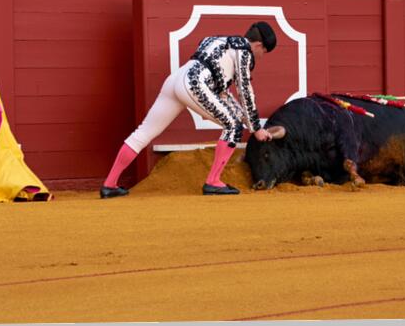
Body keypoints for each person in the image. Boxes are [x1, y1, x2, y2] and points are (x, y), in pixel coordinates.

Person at [100, 21, 278, 198]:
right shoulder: (244, 52)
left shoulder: (218, 39)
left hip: (177, 79)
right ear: (258, 45)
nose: (261, 56)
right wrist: (255, 128)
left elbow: (224, 95)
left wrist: (251, 123)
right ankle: (213, 181)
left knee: (144, 132)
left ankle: (109, 184)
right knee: (233, 127)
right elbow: (244, 90)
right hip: (195, 84)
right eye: (264, 51)